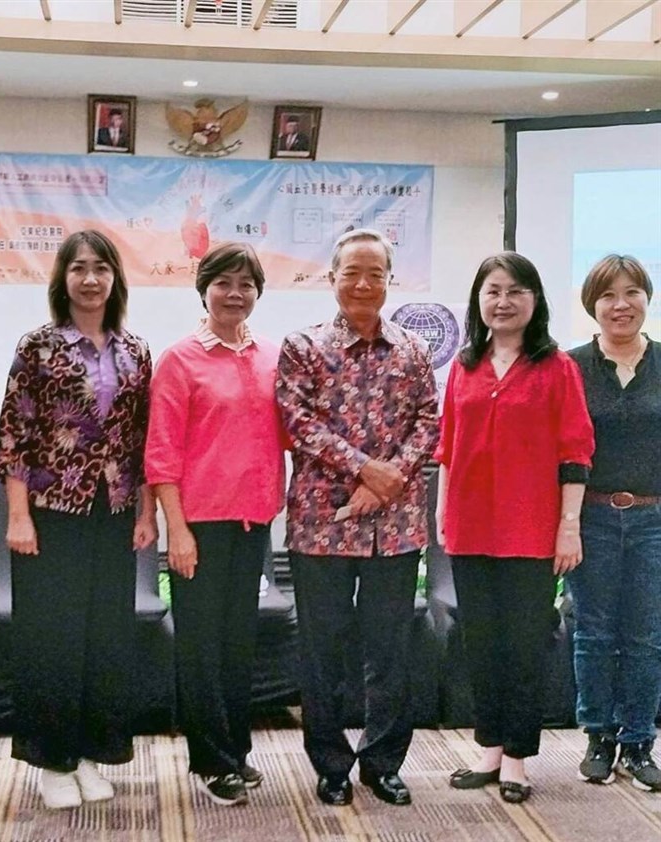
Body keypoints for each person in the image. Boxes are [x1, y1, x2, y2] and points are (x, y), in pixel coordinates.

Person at [0, 230, 157, 810]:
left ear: (115, 278)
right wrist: (17, 516)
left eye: (101, 268)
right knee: (51, 638)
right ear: (62, 279)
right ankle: (52, 760)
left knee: (105, 638)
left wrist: (145, 512)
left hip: (112, 513)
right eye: (79, 268)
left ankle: (90, 752)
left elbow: (142, 444)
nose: (91, 279)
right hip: (49, 513)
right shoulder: (37, 347)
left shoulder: (135, 350)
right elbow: (15, 436)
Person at [276, 228, 439, 808]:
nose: (364, 284)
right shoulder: (303, 346)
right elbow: (296, 422)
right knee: (322, 650)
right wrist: (371, 470)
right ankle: (331, 764)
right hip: (321, 524)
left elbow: (428, 421)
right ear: (332, 279)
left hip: (396, 528)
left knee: (391, 648)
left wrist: (388, 480)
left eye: (376, 273)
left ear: (390, 280)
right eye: (352, 273)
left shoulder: (414, 351)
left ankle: (383, 761)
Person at [434, 251, 594, 804]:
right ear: (479, 300)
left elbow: (576, 454)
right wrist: (442, 511)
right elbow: (448, 448)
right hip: (471, 526)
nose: (503, 302)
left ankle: (519, 759)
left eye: (515, 292)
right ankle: (489, 750)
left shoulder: (557, 368)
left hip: (532, 529)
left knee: (524, 645)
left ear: (535, 301)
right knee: (480, 642)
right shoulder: (463, 365)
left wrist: (568, 527)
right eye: (492, 291)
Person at [144, 242, 286, 807]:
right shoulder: (180, 360)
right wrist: (176, 529)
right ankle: (211, 760)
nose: (235, 293)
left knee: (237, 644)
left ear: (257, 293)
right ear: (203, 289)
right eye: (223, 282)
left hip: (254, 522)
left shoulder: (273, 355)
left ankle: (236, 750)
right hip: (198, 525)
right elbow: (161, 453)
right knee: (201, 645)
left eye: (246, 284)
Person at [566, 255, 661, 792]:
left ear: (647, 299)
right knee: (594, 632)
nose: (620, 305)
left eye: (632, 293)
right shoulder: (571, 367)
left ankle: (640, 741)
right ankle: (599, 737)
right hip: (593, 516)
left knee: (647, 636)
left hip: (654, 519)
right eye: (608, 295)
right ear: (593, 305)